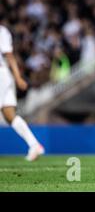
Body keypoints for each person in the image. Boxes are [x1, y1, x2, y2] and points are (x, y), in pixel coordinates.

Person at [0, 19, 45, 161]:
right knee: (9, 115)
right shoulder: (3, 31)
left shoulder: (1, 31)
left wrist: (18, 77)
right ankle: (34, 145)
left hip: (2, 76)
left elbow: (9, 56)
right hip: (5, 76)